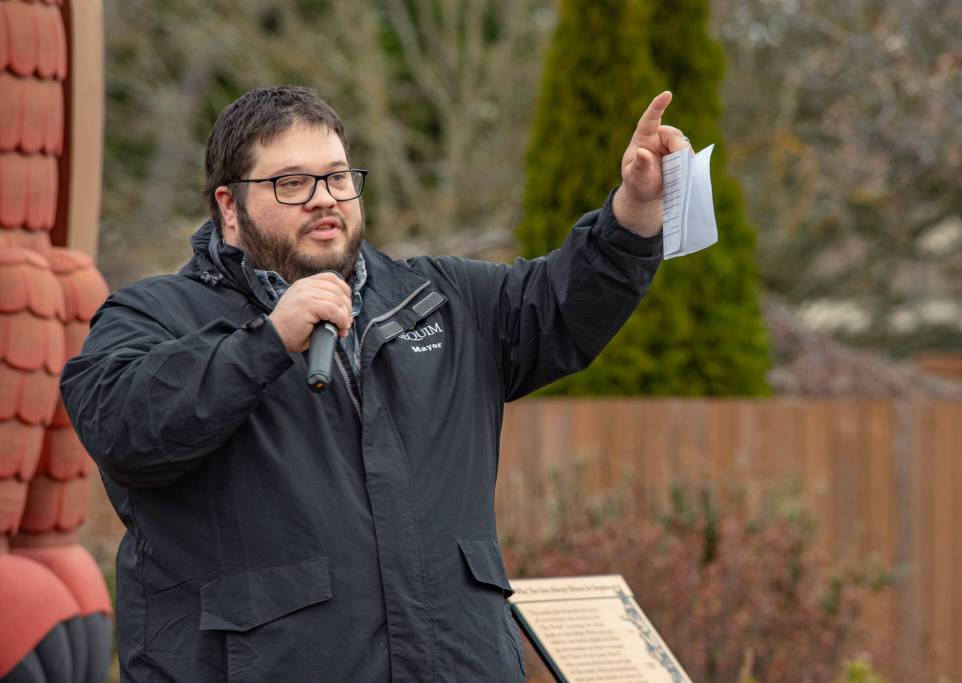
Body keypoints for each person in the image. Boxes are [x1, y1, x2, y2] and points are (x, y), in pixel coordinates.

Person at [61, 86, 689, 682]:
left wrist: (632, 214)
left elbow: (560, 307)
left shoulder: (444, 300)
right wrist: (267, 341)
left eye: (337, 177)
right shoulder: (155, 316)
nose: (323, 198)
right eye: (291, 183)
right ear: (229, 206)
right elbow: (123, 428)